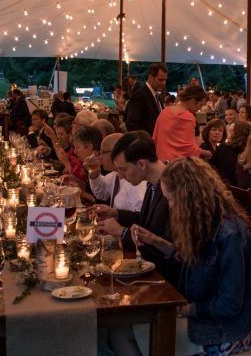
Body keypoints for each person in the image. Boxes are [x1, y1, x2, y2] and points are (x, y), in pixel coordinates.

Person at [107, 157, 251, 356]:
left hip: (228, 329)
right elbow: (195, 263)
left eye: (171, 200)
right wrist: (158, 242)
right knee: (122, 327)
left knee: (123, 331)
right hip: (211, 316)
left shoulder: (229, 233)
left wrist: (187, 310)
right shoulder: (209, 220)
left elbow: (229, 304)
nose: (170, 207)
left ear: (188, 197)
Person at [94, 132, 172, 274]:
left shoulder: (174, 188)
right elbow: (146, 223)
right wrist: (116, 213)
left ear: (141, 164)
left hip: (166, 277)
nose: (121, 175)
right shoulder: (153, 183)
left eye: (123, 169)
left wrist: (122, 232)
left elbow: (162, 245)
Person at [86, 133, 147, 211]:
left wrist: (115, 215)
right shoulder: (114, 175)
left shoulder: (136, 182)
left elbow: (141, 218)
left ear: (116, 152)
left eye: (103, 152)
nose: (100, 157)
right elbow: (101, 193)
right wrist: (94, 173)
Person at [153, 84, 207, 161]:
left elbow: (155, 138)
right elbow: (189, 149)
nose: (199, 109)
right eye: (200, 105)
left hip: (160, 161)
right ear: (193, 101)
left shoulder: (164, 111)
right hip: (177, 165)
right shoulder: (188, 117)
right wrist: (205, 152)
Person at [124, 63, 167, 134]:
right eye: (160, 80)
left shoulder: (156, 95)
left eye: (165, 80)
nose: (163, 83)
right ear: (150, 77)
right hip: (147, 142)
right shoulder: (141, 94)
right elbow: (131, 124)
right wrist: (145, 141)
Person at [211, 121, 251, 187]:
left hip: (223, 187)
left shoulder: (224, 148)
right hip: (241, 188)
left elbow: (212, 168)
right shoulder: (250, 150)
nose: (228, 134)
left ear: (237, 134)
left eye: (230, 131)